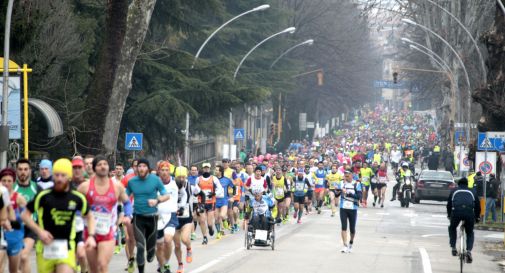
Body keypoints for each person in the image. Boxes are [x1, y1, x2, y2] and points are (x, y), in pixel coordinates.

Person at [21, 158, 97, 273]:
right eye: (57, 175)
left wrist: (91, 236)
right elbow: (25, 215)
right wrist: (39, 232)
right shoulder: (43, 196)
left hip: (67, 248)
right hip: (45, 248)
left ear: (69, 176)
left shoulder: (77, 197)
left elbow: (90, 216)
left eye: (63, 175)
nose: (59, 179)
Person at [77, 155, 132, 273]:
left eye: (105, 164)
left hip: (108, 231)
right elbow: (75, 205)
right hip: (89, 231)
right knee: (93, 268)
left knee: (102, 264)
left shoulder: (117, 187)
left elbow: (127, 203)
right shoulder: (84, 187)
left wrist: (127, 216)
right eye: (99, 165)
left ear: (108, 167)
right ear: (94, 168)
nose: (102, 167)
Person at [125, 158, 170, 273]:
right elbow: (125, 198)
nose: (141, 168)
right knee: (140, 246)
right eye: (139, 166)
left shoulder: (155, 180)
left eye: (144, 166)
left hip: (152, 218)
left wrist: (157, 201)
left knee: (150, 251)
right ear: (136, 168)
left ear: (148, 169)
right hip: (138, 218)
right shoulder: (132, 182)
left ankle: (151, 252)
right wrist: (125, 211)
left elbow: (166, 195)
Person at [15, 159, 40, 273]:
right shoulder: (11, 187)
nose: (23, 172)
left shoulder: (37, 188)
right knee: (19, 261)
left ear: (30, 171)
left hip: (31, 227)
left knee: (24, 256)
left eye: (25, 169)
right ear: (16, 171)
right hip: (14, 227)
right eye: (20, 169)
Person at [447, 178, 480, 263]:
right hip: (469, 213)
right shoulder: (472, 191)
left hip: (456, 212)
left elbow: (449, 204)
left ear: (458, 184)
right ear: (467, 184)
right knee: (469, 232)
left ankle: (453, 246)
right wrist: (477, 217)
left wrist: (449, 215)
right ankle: (468, 251)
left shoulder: (454, 191)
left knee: (452, 227)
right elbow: (477, 206)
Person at [155, 161, 179, 273]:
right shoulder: (153, 183)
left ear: (170, 171)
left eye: (167, 170)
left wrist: (182, 207)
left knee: (168, 240)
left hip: (170, 216)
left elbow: (185, 194)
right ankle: (162, 264)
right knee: (158, 245)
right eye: (162, 170)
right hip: (156, 217)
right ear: (159, 171)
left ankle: (166, 263)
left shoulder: (175, 183)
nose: (164, 172)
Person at [0, 168, 25, 273]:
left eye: (9, 181)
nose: (6, 183)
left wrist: (16, 220)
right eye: (4, 180)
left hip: (14, 237)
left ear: (14, 182)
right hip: (2, 234)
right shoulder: (1, 193)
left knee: (13, 270)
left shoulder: (18, 197)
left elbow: (26, 217)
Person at [173, 166, 196, 273]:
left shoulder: (190, 186)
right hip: (174, 219)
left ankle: (189, 248)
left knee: (185, 239)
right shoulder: (171, 186)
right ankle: (180, 264)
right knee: (177, 245)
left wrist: (199, 205)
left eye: (183, 177)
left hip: (187, 218)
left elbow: (201, 194)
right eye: (179, 177)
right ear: (176, 176)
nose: (181, 179)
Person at [70, 156, 89, 273]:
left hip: (85, 223)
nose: (77, 170)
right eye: (74, 167)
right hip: (69, 223)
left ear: (83, 169)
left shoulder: (89, 184)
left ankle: (84, 270)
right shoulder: (66, 183)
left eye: (79, 167)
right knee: (71, 256)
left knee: (81, 255)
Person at [196, 163, 222, 245]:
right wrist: (198, 194)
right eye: (205, 168)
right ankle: (205, 237)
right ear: (203, 169)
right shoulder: (198, 179)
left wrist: (214, 193)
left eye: (207, 168)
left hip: (211, 202)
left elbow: (220, 189)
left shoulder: (214, 178)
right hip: (201, 202)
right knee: (202, 220)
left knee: (210, 223)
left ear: (210, 169)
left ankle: (211, 228)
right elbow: (195, 190)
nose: (206, 169)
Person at [339, 171, 362, 253]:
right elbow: (337, 194)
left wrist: (348, 194)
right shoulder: (341, 183)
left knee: (352, 229)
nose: (346, 178)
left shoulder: (357, 184)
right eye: (345, 176)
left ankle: (351, 242)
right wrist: (337, 191)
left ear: (352, 176)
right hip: (343, 208)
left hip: (353, 208)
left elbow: (359, 197)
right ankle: (345, 245)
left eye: (348, 176)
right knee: (343, 227)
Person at [214, 166, 235, 240]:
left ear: (220, 171)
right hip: (215, 201)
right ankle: (219, 232)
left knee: (222, 215)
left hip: (224, 200)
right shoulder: (213, 179)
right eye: (215, 170)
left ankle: (226, 221)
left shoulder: (226, 180)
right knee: (216, 218)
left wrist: (232, 197)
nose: (215, 171)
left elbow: (234, 187)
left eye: (216, 170)